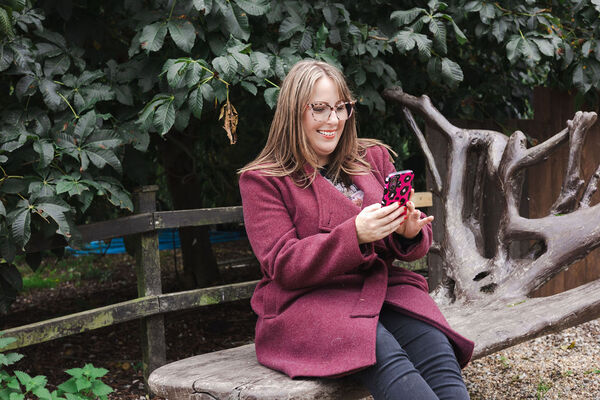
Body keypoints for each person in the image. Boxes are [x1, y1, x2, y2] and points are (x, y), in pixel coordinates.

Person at [238, 59, 474, 400]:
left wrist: (405, 231)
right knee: (389, 362)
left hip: (381, 290)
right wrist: (355, 234)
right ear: (294, 111)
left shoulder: (372, 157)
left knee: (438, 353)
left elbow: (405, 244)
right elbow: (282, 263)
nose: (332, 120)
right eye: (319, 109)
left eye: (340, 107)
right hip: (309, 305)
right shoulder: (263, 179)